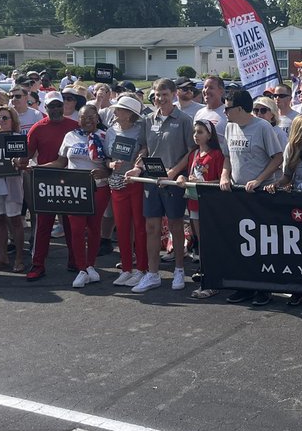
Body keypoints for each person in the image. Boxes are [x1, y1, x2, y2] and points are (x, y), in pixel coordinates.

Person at [129, 78, 194, 294]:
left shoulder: (184, 119)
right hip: (151, 180)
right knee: (152, 227)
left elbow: (191, 152)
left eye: (164, 94)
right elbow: (144, 148)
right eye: (157, 94)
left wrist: (174, 172)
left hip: (174, 181)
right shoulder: (148, 119)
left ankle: (178, 269)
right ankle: (153, 274)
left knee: (176, 225)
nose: (160, 98)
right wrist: (138, 168)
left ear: (174, 94)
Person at [38, 104, 110, 288]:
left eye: (92, 117)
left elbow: (112, 163)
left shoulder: (106, 136)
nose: (88, 120)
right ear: (78, 120)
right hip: (75, 191)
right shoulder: (70, 136)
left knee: (94, 229)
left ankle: (91, 265)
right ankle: (81, 269)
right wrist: (38, 168)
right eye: (84, 117)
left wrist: (106, 173)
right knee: (77, 230)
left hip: (98, 188)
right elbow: (61, 161)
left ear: (97, 119)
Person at [22, 91, 79, 282]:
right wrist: (18, 161)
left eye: (58, 105)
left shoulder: (74, 126)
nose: (55, 109)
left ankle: (76, 261)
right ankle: (38, 264)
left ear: (63, 106)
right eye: (51, 106)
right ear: (44, 108)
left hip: (70, 181)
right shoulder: (37, 128)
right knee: (42, 225)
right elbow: (26, 157)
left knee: (72, 225)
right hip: (45, 183)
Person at [178, 119, 224, 295]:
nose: (196, 135)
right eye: (195, 132)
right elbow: (188, 175)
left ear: (210, 135)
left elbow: (221, 181)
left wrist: (201, 184)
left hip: (210, 205)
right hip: (193, 203)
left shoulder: (217, 155)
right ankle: (207, 277)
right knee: (201, 242)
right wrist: (183, 179)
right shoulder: (194, 154)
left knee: (210, 241)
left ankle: (212, 281)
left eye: (200, 132)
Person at [106, 95, 148, 288]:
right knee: (122, 227)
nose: (116, 112)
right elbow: (107, 158)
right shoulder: (110, 131)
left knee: (139, 226)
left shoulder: (140, 130)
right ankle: (126, 269)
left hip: (135, 182)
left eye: (120, 109)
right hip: (116, 183)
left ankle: (142, 268)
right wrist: (111, 163)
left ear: (130, 114)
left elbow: (145, 150)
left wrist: (138, 163)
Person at [0, 105, 27, 273]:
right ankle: (2, 257)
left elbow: (23, 160)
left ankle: (19, 258)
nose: (1, 121)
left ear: (12, 120)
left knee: (15, 220)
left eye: (5, 118)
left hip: (12, 184)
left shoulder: (17, 138)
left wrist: (18, 162)